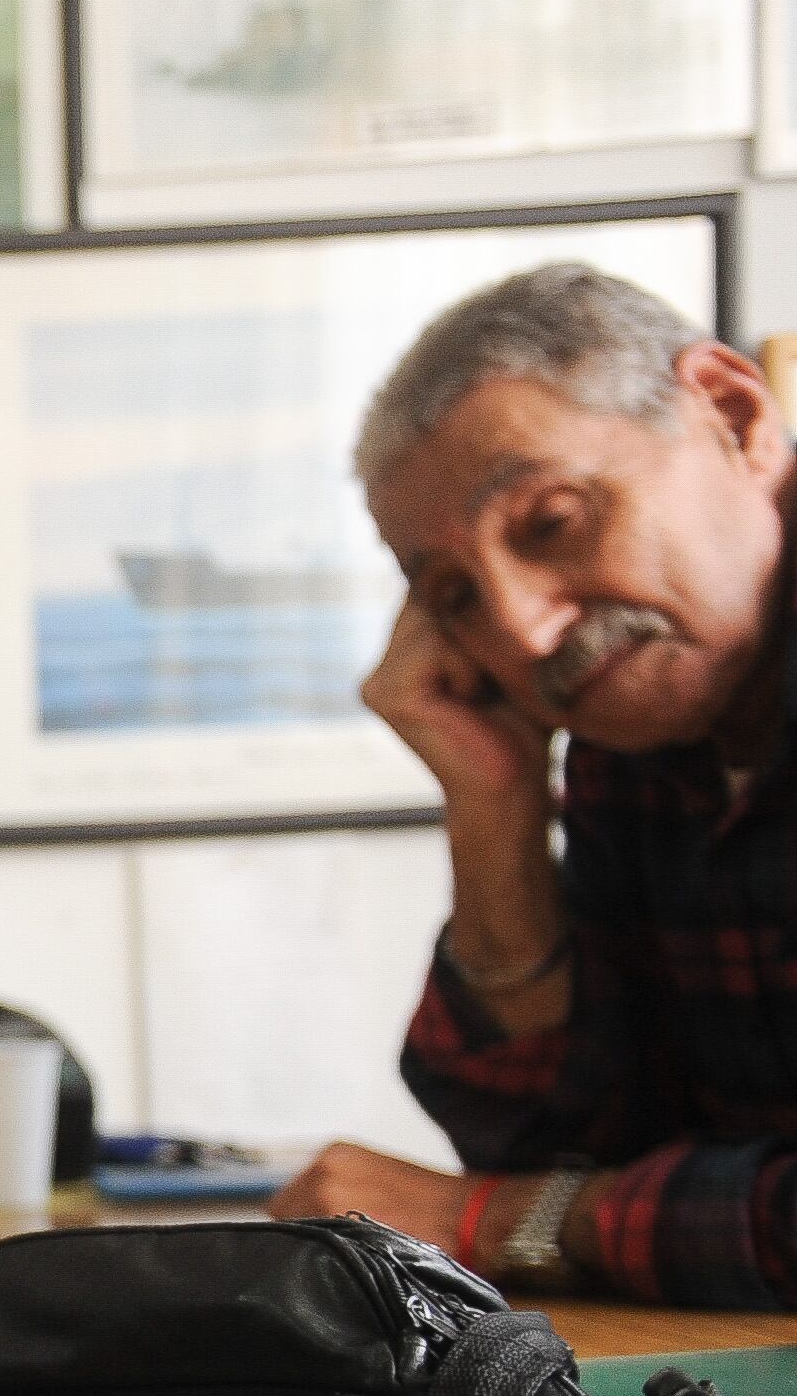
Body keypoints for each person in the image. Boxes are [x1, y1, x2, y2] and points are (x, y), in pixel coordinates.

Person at [272, 264, 797, 1306]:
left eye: (550, 522)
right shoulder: (640, 730)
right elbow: (560, 1136)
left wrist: (491, 1220)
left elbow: (528, 1199)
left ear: (733, 416)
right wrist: (493, 803)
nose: (518, 629)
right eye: (453, 595)